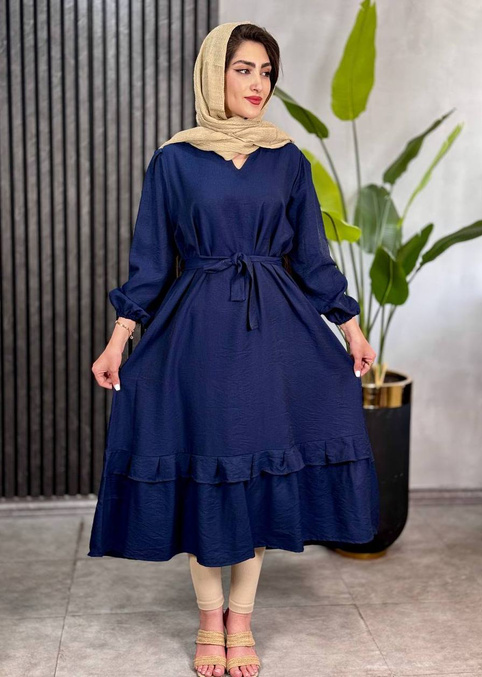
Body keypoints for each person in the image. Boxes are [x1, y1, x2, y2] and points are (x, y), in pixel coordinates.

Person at [89, 20, 379, 677]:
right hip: (195, 335)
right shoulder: (174, 160)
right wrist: (117, 340)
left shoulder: (289, 159)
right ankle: (208, 620)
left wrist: (351, 327)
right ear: (213, 72)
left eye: (266, 72)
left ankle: (241, 620)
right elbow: (150, 264)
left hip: (275, 337)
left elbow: (312, 257)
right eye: (243, 68)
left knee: (257, 473)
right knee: (208, 470)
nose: (257, 84)